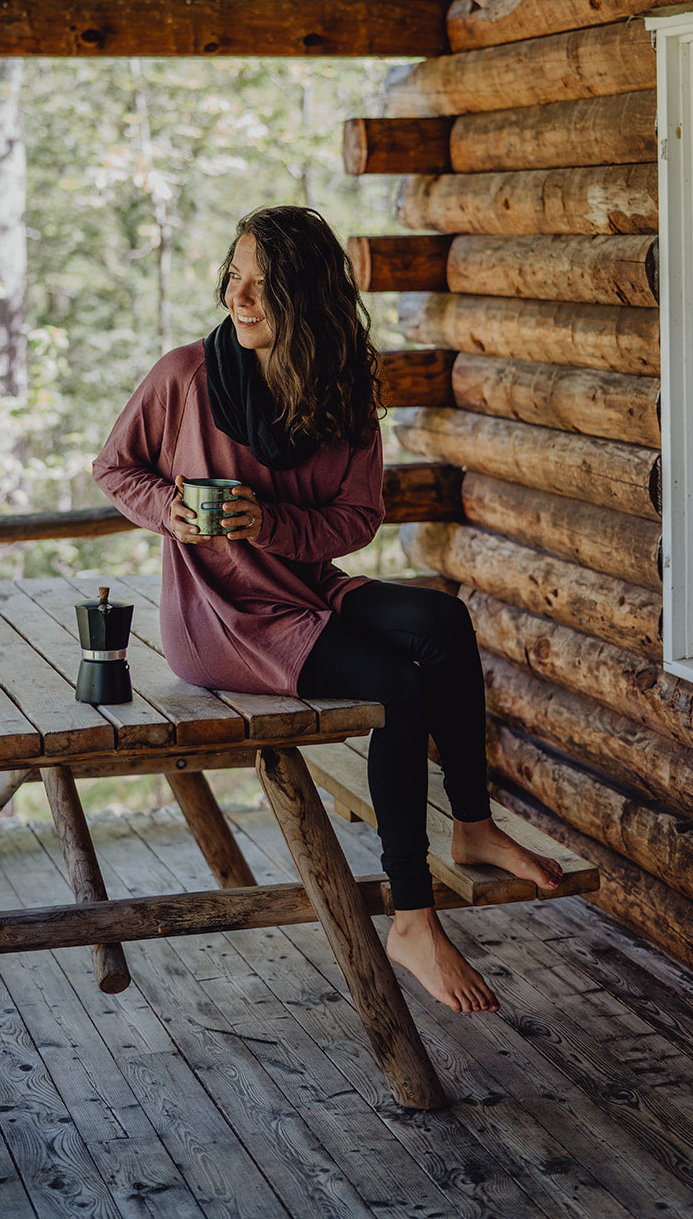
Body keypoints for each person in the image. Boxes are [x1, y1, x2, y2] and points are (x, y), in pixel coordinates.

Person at [93, 205, 562, 1013]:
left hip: (304, 589)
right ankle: (411, 918)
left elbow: (356, 520)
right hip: (223, 619)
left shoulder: (342, 388)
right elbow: (116, 469)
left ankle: (472, 824)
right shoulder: (185, 376)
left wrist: (270, 524)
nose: (240, 299)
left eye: (264, 287)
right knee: (395, 687)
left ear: (306, 298)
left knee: (442, 623)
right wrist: (168, 509)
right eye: (234, 278)